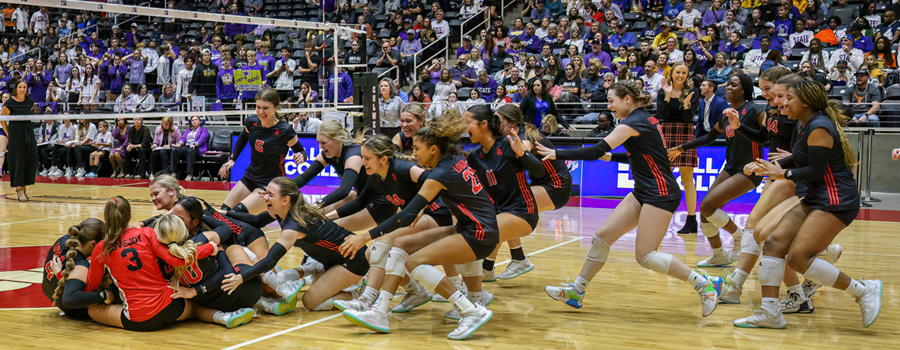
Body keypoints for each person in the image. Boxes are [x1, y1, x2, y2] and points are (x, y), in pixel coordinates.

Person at [535, 80, 722, 314]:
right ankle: (577, 290)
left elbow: (595, 150)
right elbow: (644, 156)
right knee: (602, 238)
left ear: (627, 99)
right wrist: (613, 159)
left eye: (611, 101)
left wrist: (557, 153)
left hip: (660, 193)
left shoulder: (631, 123)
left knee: (646, 256)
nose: (609, 106)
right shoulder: (645, 119)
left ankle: (705, 283)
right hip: (645, 190)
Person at [734, 80, 881, 329]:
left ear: (805, 102)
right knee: (773, 242)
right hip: (817, 197)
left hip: (836, 201)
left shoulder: (820, 127)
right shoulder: (804, 125)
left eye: (788, 98)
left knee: (798, 258)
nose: (784, 102)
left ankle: (862, 290)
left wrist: (783, 174)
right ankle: (770, 313)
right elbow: (802, 157)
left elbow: (815, 170)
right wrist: (771, 166)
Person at [340, 110, 497, 340]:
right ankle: (380, 312)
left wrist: (365, 237)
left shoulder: (439, 174)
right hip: (470, 226)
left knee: (413, 261)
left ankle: (470, 311)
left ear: (433, 149)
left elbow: (407, 215)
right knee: (401, 244)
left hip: (479, 232)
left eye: (417, 148)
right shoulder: (454, 160)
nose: (413, 153)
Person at [83, 196, 254, 330]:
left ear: (107, 218)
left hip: (138, 318)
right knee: (192, 308)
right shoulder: (147, 233)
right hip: (170, 305)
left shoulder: (101, 248)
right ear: (129, 216)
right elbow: (175, 258)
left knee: (93, 310)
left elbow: (92, 285)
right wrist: (209, 248)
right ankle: (221, 317)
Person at [219, 177, 369, 311]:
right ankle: (316, 269)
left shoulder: (294, 226)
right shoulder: (285, 210)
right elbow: (256, 220)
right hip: (332, 259)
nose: (265, 197)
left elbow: (269, 261)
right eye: (266, 193)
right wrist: (222, 213)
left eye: (270, 195)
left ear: (285, 200)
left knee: (310, 302)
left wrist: (241, 277)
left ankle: (358, 293)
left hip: (352, 261)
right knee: (283, 277)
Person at [668, 74, 766, 267]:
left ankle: (739, 237)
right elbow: (709, 138)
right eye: (728, 84)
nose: (728, 87)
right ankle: (719, 255)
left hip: (750, 170)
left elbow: (764, 139)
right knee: (704, 211)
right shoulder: (725, 113)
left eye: (733, 85)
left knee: (707, 206)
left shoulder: (755, 110)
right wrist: (682, 148)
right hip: (730, 167)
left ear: (744, 89)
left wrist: (740, 126)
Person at [218, 89, 307, 213]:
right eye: (258, 107)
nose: (260, 112)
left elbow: (301, 152)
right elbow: (243, 137)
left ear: (276, 107)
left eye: (265, 108)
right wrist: (233, 159)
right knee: (223, 211)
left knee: (236, 214)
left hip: (271, 183)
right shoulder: (252, 122)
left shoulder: (285, 131)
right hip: (250, 177)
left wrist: (301, 156)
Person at [657, 63, 700, 234]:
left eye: (684, 73)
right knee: (665, 177)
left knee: (687, 179)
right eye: (677, 72)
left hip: (685, 134)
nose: (680, 75)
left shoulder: (692, 92)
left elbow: (688, 118)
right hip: (667, 134)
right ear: (672, 73)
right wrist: (667, 97)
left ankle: (691, 220)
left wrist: (687, 104)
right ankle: (662, 215)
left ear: (687, 75)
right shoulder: (663, 91)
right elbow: (663, 116)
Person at [45, 218, 107, 319]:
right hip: (74, 309)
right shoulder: (81, 265)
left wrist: (60, 274)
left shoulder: (65, 239)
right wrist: (104, 295)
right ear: (94, 244)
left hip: (49, 290)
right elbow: (69, 299)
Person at [1, 80, 37, 201]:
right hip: (16, 134)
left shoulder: (30, 102)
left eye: (24, 87)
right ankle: (19, 188)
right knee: (18, 160)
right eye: (20, 87)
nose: (22, 89)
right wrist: (8, 133)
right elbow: (2, 119)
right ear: (16, 89)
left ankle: (24, 186)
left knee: (29, 159)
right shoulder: (10, 102)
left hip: (28, 133)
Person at [171, 116, 209, 181]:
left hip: (197, 147)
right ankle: (173, 172)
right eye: (193, 120)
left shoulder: (203, 130)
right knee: (175, 151)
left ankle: (189, 174)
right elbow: (183, 138)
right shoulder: (188, 130)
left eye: (196, 120)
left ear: (200, 122)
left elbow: (202, 139)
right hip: (187, 146)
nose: (194, 121)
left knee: (190, 151)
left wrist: (195, 144)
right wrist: (180, 144)